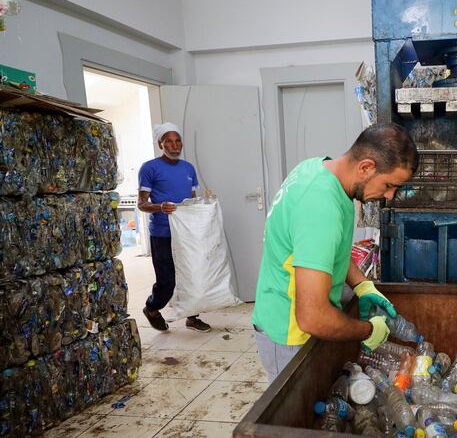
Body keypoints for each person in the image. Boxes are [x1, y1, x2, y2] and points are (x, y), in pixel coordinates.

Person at [252, 123, 418, 382]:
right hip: (289, 332)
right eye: (388, 185)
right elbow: (312, 317)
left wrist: (362, 285)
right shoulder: (321, 207)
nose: (389, 196)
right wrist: (367, 330)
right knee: (295, 414)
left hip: (288, 315)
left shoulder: (319, 171)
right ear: (366, 167)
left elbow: (327, 249)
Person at [138, 123, 212, 332]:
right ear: (160, 143)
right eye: (169, 141)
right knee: (167, 280)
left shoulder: (188, 168)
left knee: (191, 275)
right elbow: (142, 204)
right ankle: (152, 308)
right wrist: (160, 207)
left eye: (177, 140)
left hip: (187, 233)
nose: (174, 145)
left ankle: (192, 316)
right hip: (163, 233)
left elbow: (192, 202)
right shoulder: (150, 168)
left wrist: (207, 202)